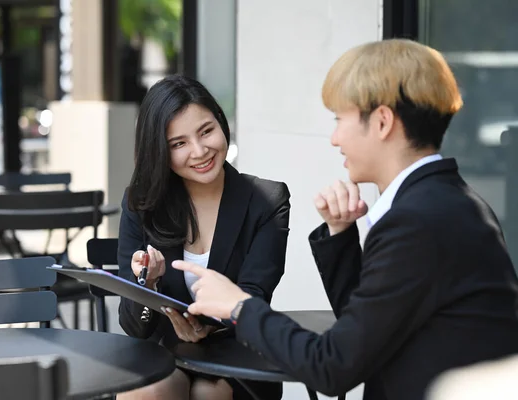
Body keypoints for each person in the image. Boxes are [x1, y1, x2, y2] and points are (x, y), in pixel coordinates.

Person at [172, 39, 518, 400]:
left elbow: (333, 366)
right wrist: (340, 235)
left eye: (340, 119)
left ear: (382, 122)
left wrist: (238, 306)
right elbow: (368, 333)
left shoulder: (420, 221)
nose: (335, 138)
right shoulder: (442, 204)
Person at [116, 75, 291, 400]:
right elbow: (134, 326)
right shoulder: (141, 204)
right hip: (167, 351)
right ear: (160, 151)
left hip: (239, 353)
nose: (199, 151)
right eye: (178, 144)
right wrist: (146, 284)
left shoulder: (267, 200)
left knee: (208, 395)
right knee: (143, 393)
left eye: (206, 131)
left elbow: (254, 295)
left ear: (221, 123)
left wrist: (210, 324)